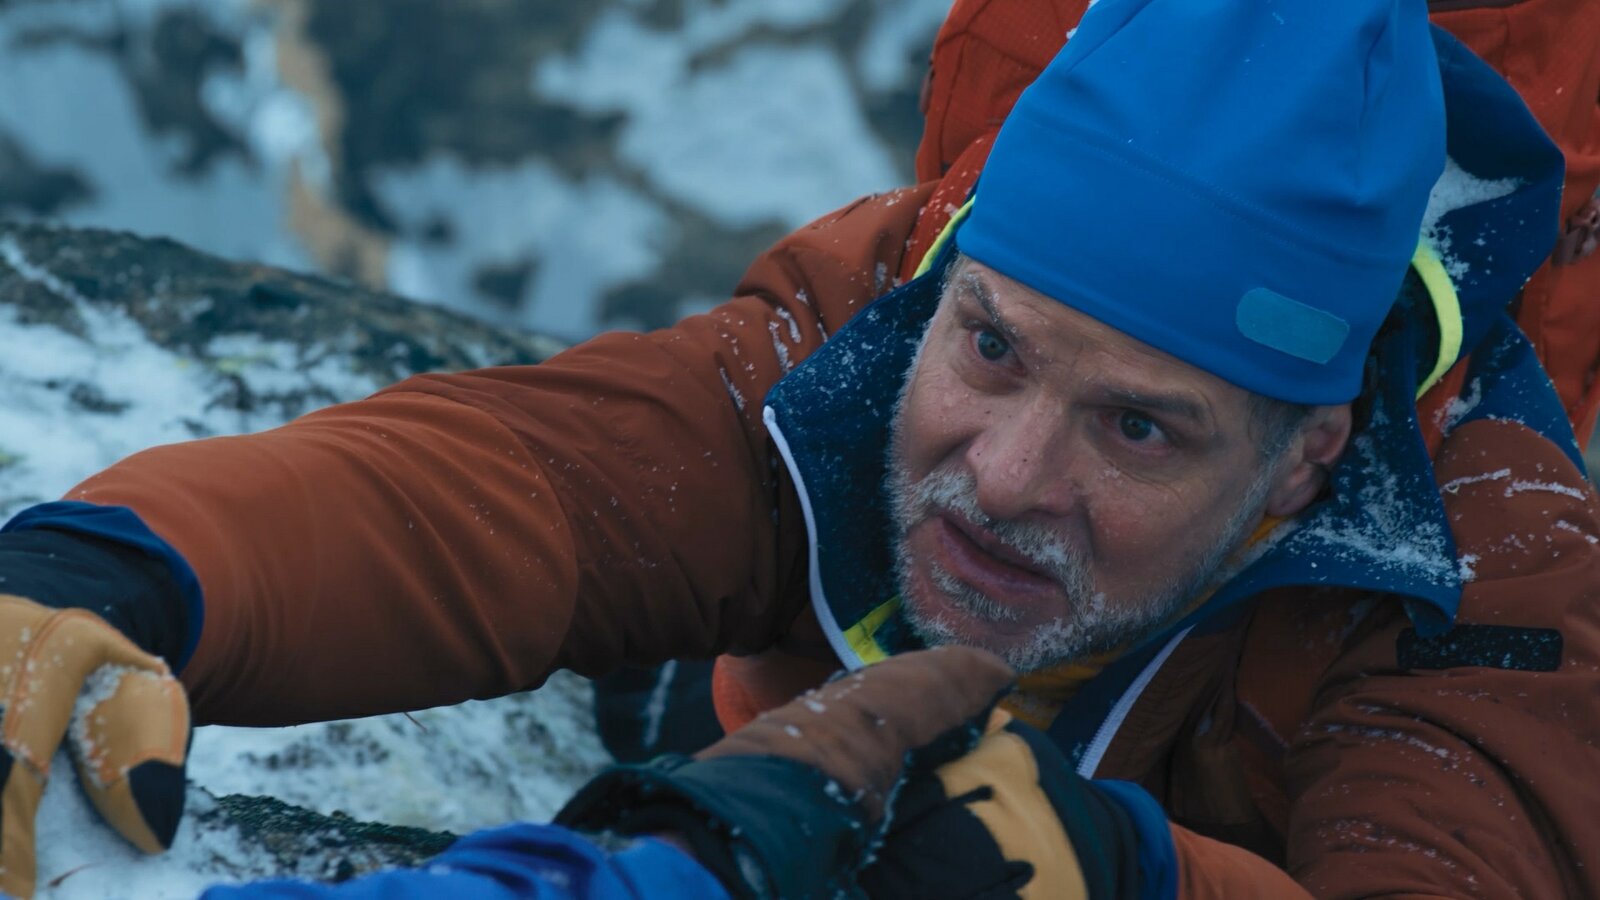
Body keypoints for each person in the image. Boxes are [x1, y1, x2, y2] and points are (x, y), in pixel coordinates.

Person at [1, 1, 1596, 898]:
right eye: (994, 350)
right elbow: (538, 485)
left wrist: (1131, 876)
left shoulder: (1489, 574)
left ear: (1307, 461)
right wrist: (127, 567)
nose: (1005, 477)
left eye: (1136, 427)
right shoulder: (875, 317)